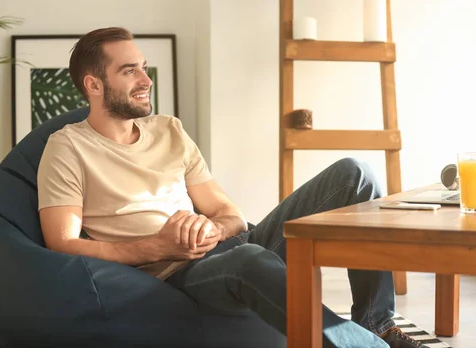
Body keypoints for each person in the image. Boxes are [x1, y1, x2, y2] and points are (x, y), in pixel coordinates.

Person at [37, 27, 428, 348]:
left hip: (227, 248)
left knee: (355, 173)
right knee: (252, 261)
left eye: (143, 67)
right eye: (129, 71)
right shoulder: (67, 147)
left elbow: (231, 216)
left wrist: (212, 228)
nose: (145, 79)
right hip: (178, 274)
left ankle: (376, 323)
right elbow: (62, 242)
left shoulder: (169, 130)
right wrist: (156, 247)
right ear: (94, 84)